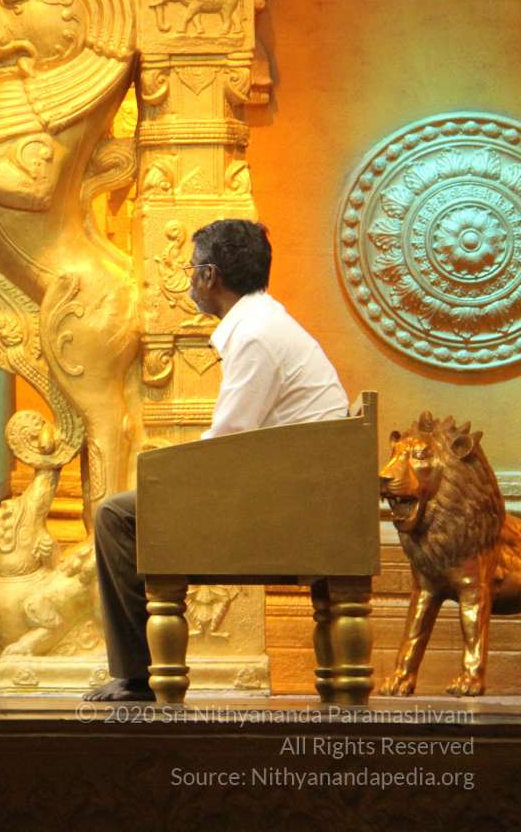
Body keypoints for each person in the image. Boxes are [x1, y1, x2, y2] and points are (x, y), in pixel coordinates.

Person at [84, 219, 349, 702]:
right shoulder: (264, 323)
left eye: (192, 270)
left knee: (116, 516)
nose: (189, 281)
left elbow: (228, 445)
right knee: (134, 505)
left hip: (289, 511)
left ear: (210, 276)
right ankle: (139, 671)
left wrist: (168, 475)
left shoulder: (255, 336)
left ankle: (139, 675)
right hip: (301, 495)